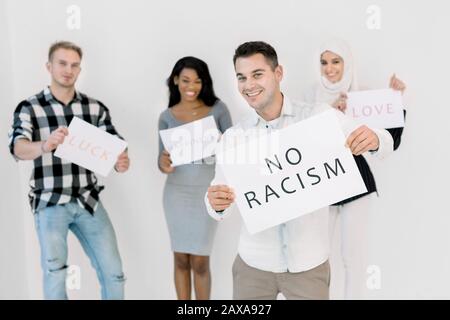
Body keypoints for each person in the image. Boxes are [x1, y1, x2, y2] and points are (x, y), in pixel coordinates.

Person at [205, 41, 394, 300]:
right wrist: (215, 203)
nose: (249, 85)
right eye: (242, 77)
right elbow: (219, 207)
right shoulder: (233, 138)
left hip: (309, 265)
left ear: (278, 73)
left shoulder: (318, 117)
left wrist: (374, 139)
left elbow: (382, 140)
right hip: (253, 266)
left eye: (257, 74)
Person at [8, 41, 129, 300]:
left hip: (88, 200)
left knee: (114, 273)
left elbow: (117, 149)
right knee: (55, 273)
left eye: (74, 65)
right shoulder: (30, 107)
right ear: (49, 66)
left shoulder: (94, 108)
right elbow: (18, 148)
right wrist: (45, 144)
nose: (68, 70)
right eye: (62, 63)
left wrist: (121, 161)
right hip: (50, 201)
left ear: (79, 69)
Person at [304, 38, 406, 299]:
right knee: (317, 257)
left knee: (352, 256)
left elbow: (390, 140)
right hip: (323, 184)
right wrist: (331, 114)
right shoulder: (310, 96)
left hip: (357, 184)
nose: (329, 68)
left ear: (346, 63)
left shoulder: (363, 95)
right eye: (324, 62)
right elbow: (304, 143)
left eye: (336, 61)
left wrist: (397, 101)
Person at [158, 56, 232, 300]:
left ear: (205, 83)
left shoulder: (218, 110)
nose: (192, 86)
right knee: (180, 258)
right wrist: (164, 164)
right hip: (176, 194)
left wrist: (225, 144)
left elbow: (234, 151)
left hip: (207, 192)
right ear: (176, 80)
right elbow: (162, 161)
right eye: (186, 80)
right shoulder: (166, 116)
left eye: (198, 81)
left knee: (200, 260)